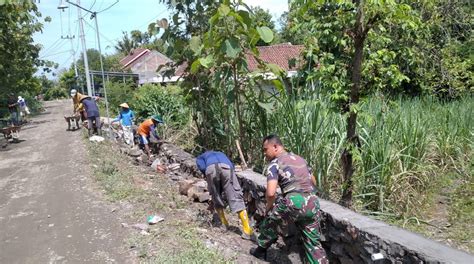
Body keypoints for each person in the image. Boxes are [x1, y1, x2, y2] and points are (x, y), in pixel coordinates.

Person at [250, 135, 328, 264]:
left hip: (293, 201)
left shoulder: (275, 163)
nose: (265, 154)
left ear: (275, 147)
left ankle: (260, 250)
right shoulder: (301, 160)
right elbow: (313, 181)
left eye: (265, 149)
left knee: (270, 222)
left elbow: (270, 193)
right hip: (312, 201)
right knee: (313, 242)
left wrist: (269, 208)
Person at [196, 150, 254, 239]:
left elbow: (202, 167)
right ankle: (247, 230)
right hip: (227, 168)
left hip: (210, 169)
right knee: (235, 195)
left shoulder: (201, 157)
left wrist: (208, 176)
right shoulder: (221, 154)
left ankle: (224, 224)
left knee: (216, 196)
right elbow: (232, 166)